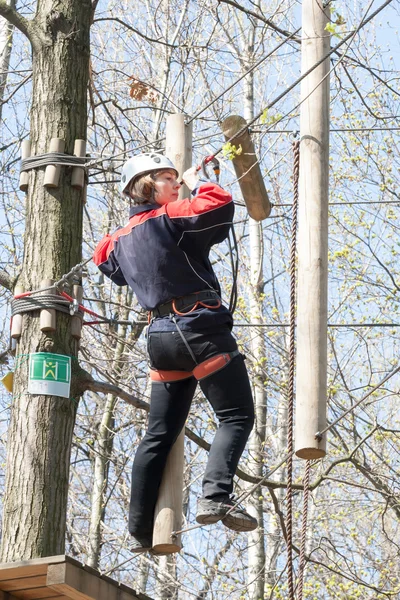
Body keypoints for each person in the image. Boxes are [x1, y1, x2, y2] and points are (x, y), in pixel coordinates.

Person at [93, 152, 256, 552]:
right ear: (147, 186)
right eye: (168, 179)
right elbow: (217, 205)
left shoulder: (118, 239)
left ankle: (137, 530)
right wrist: (198, 180)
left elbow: (105, 262)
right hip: (198, 328)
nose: (176, 185)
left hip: (161, 341)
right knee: (236, 415)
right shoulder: (170, 217)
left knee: (158, 435)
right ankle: (215, 495)